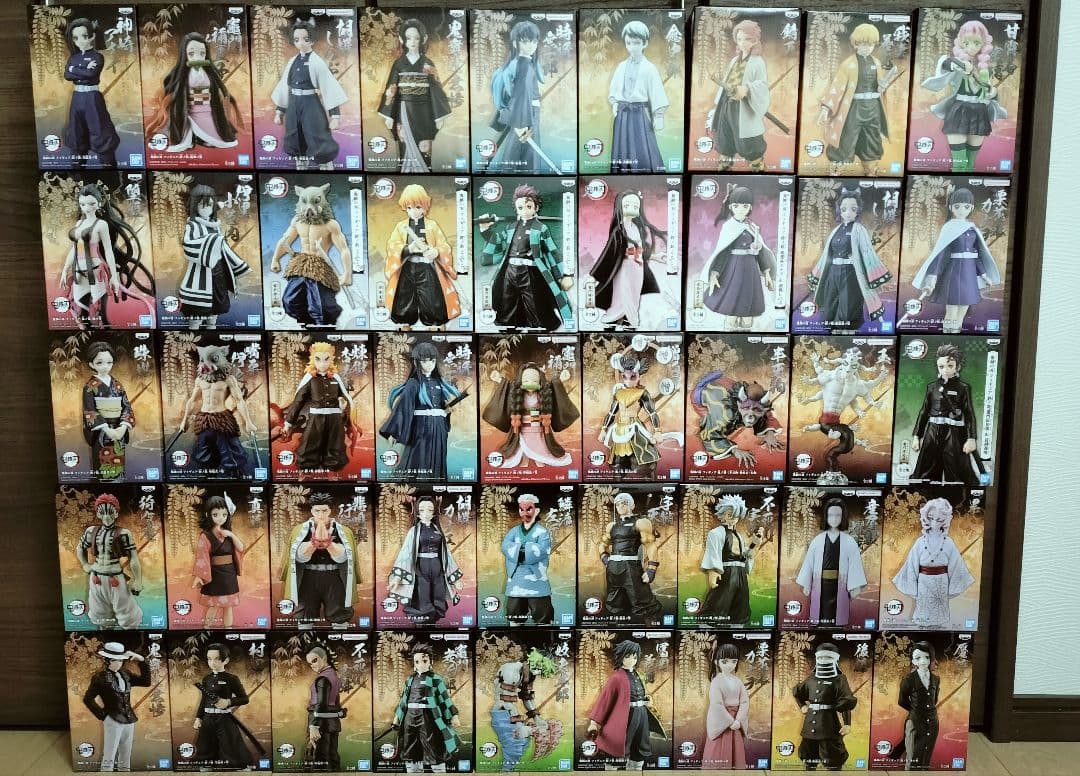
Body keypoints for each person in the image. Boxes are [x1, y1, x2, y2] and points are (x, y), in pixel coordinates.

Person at [478, 184, 574, 331]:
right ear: (516, 209)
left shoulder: (541, 228)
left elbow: (552, 252)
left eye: (529, 206)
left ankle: (538, 328)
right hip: (509, 271)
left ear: (536, 208)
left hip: (531, 272)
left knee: (534, 302)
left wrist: (564, 275)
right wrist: (486, 229)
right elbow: (498, 241)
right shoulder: (511, 227)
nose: (524, 210)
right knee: (507, 301)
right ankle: (507, 327)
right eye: (520, 207)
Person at [59, 184, 150, 329]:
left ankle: (106, 335)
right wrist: (65, 269)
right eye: (82, 204)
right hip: (78, 273)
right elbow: (74, 249)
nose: (87, 208)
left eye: (91, 204)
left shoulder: (101, 224)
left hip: (97, 272)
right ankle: (88, 336)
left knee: (100, 314)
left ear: (99, 203)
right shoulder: (79, 223)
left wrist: (113, 276)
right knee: (81, 312)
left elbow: (108, 251)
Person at [911, 188, 1001, 334]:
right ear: (951, 207)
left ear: (971, 208)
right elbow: (940, 255)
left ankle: (956, 333)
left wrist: (984, 275)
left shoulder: (972, 228)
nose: (961, 210)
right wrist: (932, 278)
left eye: (966, 207)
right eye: (957, 206)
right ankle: (948, 334)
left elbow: (976, 255)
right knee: (952, 309)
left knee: (963, 308)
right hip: (953, 274)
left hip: (969, 274)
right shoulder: (949, 228)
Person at [922, 21, 1007, 172]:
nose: (971, 47)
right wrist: (958, 65)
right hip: (959, 111)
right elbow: (945, 64)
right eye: (966, 43)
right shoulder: (957, 63)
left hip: (980, 112)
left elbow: (989, 93)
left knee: (970, 164)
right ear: (961, 43)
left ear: (984, 44)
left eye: (976, 43)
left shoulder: (986, 69)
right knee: (959, 164)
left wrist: (993, 93)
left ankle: (966, 181)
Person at [816, 22, 900, 175]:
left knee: (872, 137)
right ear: (856, 44)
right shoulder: (848, 65)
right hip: (853, 108)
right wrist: (825, 108)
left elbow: (880, 85)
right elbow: (837, 86)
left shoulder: (877, 63)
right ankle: (837, 169)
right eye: (864, 44)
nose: (867, 47)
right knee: (846, 136)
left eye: (871, 44)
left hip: (873, 107)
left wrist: (882, 87)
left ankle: (871, 168)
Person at [805, 188, 892, 331]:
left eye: (853, 209)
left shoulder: (859, 229)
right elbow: (826, 255)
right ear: (839, 210)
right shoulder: (836, 230)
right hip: (832, 273)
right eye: (844, 209)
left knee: (847, 309)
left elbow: (869, 254)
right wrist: (817, 275)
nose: (848, 213)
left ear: (858, 211)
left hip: (851, 275)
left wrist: (876, 278)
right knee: (830, 306)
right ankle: (833, 333)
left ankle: (848, 334)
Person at [270, 183, 354, 328]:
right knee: (290, 300)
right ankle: (306, 323)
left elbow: (344, 249)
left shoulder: (330, 224)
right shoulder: (297, 221)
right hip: (300, 264)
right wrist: (275, 259)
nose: (310, 207)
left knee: (321, 306)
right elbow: (285, 240)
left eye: (315, 201)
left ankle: (324, 326)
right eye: (305, 201)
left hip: (319, 266)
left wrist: (347, 273)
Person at [147, 32, 244, 153]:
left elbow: (220, 88)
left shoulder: (209, 72)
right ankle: (188, 139)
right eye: (191, 54)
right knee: (181, 128)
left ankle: (204, 138)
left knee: (216, 136)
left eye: (202, 53)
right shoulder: (182, 74)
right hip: (188, 110)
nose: (197, 58)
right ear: (185, 55)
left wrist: (226, 97)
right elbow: (174, 89)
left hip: (207, 110)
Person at [271, 16, 348, 170]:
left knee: (317, 132)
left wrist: (335, 116)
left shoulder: (317, 62)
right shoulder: (292, 61)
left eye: (305, 39)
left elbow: (329, 88)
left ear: (312, 40)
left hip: (310, 103)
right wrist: (280, 111)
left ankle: (325, 163)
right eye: (297, 39)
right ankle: (301, 162)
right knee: (294, 133)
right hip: (293, 102)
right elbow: (284, 85)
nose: (301, 43)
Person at [379, 341, 463, 480]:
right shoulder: (413, 383)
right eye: (425, 361)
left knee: (438, 456)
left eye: (432, 361)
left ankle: (436, 483)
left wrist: (446, 412)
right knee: (418, 457)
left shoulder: (439, 382)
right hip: (420, 428)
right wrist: (393, 432)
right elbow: (403, 407)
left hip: (438, 428)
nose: (429, 364)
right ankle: (413, 484)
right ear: (417, 362)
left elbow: (442, 406)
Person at [378, 18, 453, 173]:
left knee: (424, 146)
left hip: (425, 112)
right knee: (405, 144)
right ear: (402, 39)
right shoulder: (399, 64)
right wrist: (389, 115)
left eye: (416, 38)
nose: (412, 42)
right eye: (408, 38)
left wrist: (439, 116)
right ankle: (405, 174)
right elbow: (391, 89)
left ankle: (425, 174)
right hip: (404, 109)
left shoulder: (428, 64)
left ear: (423, 39)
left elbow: (436, 90)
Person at [384, 184, 461, 330]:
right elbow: (392, 246)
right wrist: (408, 249)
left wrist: (436, 252)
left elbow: (444, 246)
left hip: (427, 267)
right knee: (404, 296)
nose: (413, 211)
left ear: (425, 206)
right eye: (409, 207)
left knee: (432, 296)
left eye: (418, 207)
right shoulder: (401, 226)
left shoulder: (432, 225)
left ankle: (435, 323)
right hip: (407, 267)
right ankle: (404, 322)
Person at [281, 492, 362, 629]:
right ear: (312, 510)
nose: (320, 515)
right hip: (308, 578)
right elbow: (298, 556)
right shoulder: (299, 530)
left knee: (339, 614)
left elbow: (344, 557)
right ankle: (305, 637)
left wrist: (329, 544)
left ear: (330, 510)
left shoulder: (343, 531)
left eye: (324, 510)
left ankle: (340, 637)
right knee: (305, 615)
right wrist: (313, 543)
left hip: (334, 578)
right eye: (317, 511)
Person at [701, 185, 777, 329]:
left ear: (750, 207)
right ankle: (729, 331)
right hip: (733, 269)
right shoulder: (729, 227)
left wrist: (766, 272)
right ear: (731, 207)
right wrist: (715, 273)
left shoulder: (752, 227)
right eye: (737, 206)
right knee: (732, 304)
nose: (741, 209)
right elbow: (722, 252)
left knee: (749, 308)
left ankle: (746, 332)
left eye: (745, 206)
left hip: (751, 270)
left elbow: (760, 251)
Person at [588, 190, 667, 329]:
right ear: (620, 207)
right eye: (627, 205)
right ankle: (612, 319)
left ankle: (628, 320)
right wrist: (593, 276)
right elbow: (609, 253)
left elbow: (639, 251)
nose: (632, 208)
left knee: (634, 295)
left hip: (637, 269)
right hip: (623, 269)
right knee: (622, 295)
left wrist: (654, 257)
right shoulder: (619, 230)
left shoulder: (636, 228)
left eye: (635, 206)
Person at [178, 344, 259, 479]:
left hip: (222, 420)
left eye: (212, 359)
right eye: (203, 360)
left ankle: (235, 478)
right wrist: (184, 421)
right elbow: (192, 400)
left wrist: (248, 422)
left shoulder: (228, 379)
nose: (206, 364)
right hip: (203, 420)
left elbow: (239, 400)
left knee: (231, 454)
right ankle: (207, 477)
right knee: (204, 454)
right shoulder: (200, 380)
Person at [892, 497, 974, 627]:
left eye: (939, 519)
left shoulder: (948, 542)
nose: (934, 522)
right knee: (923, 612)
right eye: (930, 518)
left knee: (939, 613)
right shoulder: (920, 542)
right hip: (923, 581)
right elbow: (911, 565)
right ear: (925, 518)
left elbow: (956, 566)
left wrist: (952, 587)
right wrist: (913, 586)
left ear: (945, 520)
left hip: (941, 582)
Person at [481, 362, 578, 471]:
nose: (530, 383)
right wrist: (499, 379)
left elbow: (553, 389)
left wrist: (561, 379)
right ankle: (524, 458)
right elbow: (508, 388)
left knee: (540, 443)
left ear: (539, 381)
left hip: (539, 425)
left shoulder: (543, 393)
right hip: (522, 425)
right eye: (526, 381)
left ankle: (539, 457)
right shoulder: (518, 393)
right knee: (522, 443)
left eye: (534, 381)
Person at [178, 184, 251, 329]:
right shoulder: (193, 225)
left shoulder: (215, 225)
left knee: (213, 316)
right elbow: (188, 245)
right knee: (196, 318)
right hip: (199, 275)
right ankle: (194, 335)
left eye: (210, 205)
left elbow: (224, 248)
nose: (207, 209)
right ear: (195, 206)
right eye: (203, 205)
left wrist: (237, 266)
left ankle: (212, 332)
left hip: (218, 273)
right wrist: (212, 241)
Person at [909, 344, 983, 484]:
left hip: (954, 433)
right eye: (941, 366)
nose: (945, 370)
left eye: (950, 366)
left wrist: (971, 438)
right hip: (932, 431)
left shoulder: (963, 388)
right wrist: (916, 436)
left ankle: (960, 494)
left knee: (956, 469)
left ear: (957, 367)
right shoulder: (932, 387)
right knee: (926, 470)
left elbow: (969, 414)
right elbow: (924, 412)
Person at [586, 640, 665, 771]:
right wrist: (594, 723)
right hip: (625, 717)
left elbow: (639, 692)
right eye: (628, 656)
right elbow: (605, 700)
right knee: (617, 749)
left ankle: (635, 768)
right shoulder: (616, 678)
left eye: (634, 657)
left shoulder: (637, 674)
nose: (631, 660)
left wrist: (647, 700)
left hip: (641, 716)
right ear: (621, 656)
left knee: (639, 749)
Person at [387, 496, 464, 625]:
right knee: (422, 594)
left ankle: (433, 621)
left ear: (434, 512)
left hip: (437, 567)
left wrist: (456, 580)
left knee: (438, 593)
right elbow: (405, 554)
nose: (426, 513)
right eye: (422, 510)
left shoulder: (438, 530)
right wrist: (397, 577)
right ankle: (422, 622)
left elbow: (447, 555)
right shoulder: (414, 531)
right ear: (417, 512)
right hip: (420, 568)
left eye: (430, 509)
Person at [708, 19, 770, 172]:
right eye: (740, 38)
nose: (742, 42)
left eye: (747, 39)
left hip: (745, 107)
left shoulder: (758, 62)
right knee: (725, 135)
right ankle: (724, 165)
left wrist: (747, 89)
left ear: (755, 40)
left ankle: (757, 167)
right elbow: (727, 81)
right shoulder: (734, 60)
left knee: (748, 141)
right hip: (727, 103)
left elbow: (762, 84)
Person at [391, 643, 462, 773]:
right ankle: (414, 770)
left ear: (430, 661)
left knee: (433, 745)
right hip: (409, 718)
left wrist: (454, 715)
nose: (421, 664)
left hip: (428, 717)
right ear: (414, 663)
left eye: (424, 661)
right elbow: (403, 701)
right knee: (410, 746)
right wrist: (397, 718)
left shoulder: (436, 679)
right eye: (417, 661)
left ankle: (439, 770)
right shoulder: (410, 680)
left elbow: (445, 699)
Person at [795, 498, 867, 627]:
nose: (834, 519)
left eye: (838, 515)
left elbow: (854, 565)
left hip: (841, 584)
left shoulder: (849, 541)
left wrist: (854, 586)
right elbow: (809, 563)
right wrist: (806, 584)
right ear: (826, 516)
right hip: (820, 584)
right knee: (820, 616)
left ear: (843, 517)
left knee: (838, 618)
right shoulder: (817, 540)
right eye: (831, 515)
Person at [282, 343, 353, 473]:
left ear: (331, 359)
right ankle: (307, 466)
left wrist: (343, 403)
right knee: (309, 444)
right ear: (312, 359)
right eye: (318, 359)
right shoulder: (309, 378)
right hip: (315, 418)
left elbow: (344, 396)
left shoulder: (336, 378)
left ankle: (333, 468)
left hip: (335, 419)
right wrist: (288, 423)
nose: (322, 364)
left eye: (326, 359)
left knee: (335, 446)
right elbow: (298, 401)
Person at [76, 493, 143, 629]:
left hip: (115, 578)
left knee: (127, 613)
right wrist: (85, 564)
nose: (106, 516)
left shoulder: (124, 533)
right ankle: (105, 634)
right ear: (98, 514)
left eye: (110, 512)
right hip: (96, 578)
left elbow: (133, 557)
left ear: (116, 514)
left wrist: (138, 580)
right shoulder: (91, 531)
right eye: (103, 512)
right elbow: (80, 548)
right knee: (100, 614)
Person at [608, 21, 668, 173]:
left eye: (636, 43)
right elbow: (614, 89)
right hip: (622, 114)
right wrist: (614, 103)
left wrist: (659, 115)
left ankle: (646, 174)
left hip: (640, 114)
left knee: (642, 145)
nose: (632, 47)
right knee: (622, 147)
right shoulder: (621, 66)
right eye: (628, 43)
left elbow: (657, 92)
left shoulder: (649, 68)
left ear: (644, 43)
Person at [62, 17, 120, 168]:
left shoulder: (97, 57)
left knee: (100, 131)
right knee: (76, 132)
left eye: (84, 36)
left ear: (92, 36)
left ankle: (109, 169)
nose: (79, 41)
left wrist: (74, 70)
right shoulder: (73, 57)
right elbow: (67, 75)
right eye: (75, 38)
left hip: (92, 98)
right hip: (77, 98)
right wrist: (82, 70)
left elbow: (91, 74)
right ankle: (77, 170)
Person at [82, 641, 149, 772]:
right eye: (115, 660)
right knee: (110, 753)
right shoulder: (100, 678)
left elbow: (146, 682)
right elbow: (88, 699)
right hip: (112, 719)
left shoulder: (126, 674)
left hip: (129, 719)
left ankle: (125, 771)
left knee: (126, 752)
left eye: (121, 660)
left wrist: (141, 660)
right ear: (107, 661)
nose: (119, 663)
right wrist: (103, 716)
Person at [488, 21, 545, 173]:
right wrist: (522, 123)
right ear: (515, 43)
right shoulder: (522, 65)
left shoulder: (524, 63)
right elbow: (520, 95)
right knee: (524, 151)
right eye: (525, 41)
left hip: (526, 112)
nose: (531, 45)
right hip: (525, 114)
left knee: (519, 149)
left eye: (534, 41)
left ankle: (512, 174)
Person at [192, 643, 261, 769]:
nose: (212, 663)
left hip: (224, 718)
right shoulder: (206, 679)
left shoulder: (232, 679)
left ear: (226, 660)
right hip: (207, 719)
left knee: (231, 744)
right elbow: (204, 700)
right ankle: (206, 764)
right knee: (205, 744)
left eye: (217, 659)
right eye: (209, 659)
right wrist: (198, 718)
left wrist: (228, 702)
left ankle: (241, 766)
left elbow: (244, 699)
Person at [792, 642, 857, 771]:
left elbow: (846, 702)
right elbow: (798, 692)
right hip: (810, 725)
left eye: (827, 657)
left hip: (829, 724)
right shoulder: (811, 678)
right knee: (808, 756)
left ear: (834, 659)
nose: (823, 660)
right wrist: (802, 706)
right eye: (821, 657)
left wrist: (847, 724)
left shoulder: (839, 679)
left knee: (833, 756)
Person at [699, 495, 763, 626]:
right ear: (722, 514)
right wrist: (713, 572)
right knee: (719, 602)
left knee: (740, 605)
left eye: (736, 515)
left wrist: (754, 544)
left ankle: (736, 626)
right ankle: (709, 627)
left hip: (740, 575)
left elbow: (744, 557)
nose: (733, 518)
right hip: (726, 573)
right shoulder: (716, 533)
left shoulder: (739, 536)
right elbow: (713, 552)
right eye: (729, 514)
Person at [599, 492, 662, 624]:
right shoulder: (611, 526)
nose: (621, 506)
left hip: (631, 567)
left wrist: (651, 569)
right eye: (618, 504)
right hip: (613, 569)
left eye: (624, 503)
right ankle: (620, 630)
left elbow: (650, 546)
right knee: (614, 605)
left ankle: (648, 629)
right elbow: (603, 545)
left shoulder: (641, 523)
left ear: (632, 505)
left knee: (642, 604)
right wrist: (605, 559)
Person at [491, 648, 558, 771]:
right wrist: (518, 722)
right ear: (533, 661)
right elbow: (505, 700)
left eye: (541, 670)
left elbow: (526, 696)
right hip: (502, 713)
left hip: (509, 712)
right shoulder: (511, 671)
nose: (538, 672)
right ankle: (506, 771)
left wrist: (537, 718)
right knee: (515, 746)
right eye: (538, 667)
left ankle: (508, 769)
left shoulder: (529, 674)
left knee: (524, 743)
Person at [599, 354, 661, 477]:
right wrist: (603, 429)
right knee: (618, 466)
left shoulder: (642, 392)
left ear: (639, 376)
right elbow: (611, 413)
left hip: (636, 429)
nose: (628, 381)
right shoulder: (619, 393)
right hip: (620, 430)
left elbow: (652, 412)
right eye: (625, 377)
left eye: (632, 377)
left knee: (645, 464)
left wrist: (657, 431)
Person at [190, 494, 245, 629]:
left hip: (229, 573)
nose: (220, 518)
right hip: (214, 574)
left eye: (224, 514)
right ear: (208, 515)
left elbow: (241, 548)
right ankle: (207, 628)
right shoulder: (206, 535)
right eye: (215, 514)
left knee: (228, 606)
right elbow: (202, 556)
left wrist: (231, 535)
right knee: (213, 604)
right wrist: (199, 575)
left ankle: (229, 629)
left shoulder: (228, 534)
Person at [82, 341, 134, 482]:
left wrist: (123, 427)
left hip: (118, 429)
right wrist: (107, 429)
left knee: (118, 460)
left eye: (109, 362)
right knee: (103, 461)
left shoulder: (117, 385)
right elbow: (89, 411)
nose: (105, 366)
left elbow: (126, 406)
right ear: (91, 364)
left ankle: (119, 483)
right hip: (101, 431)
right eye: (99, 363)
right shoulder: (90, 386)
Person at [499, 494, 554, 626]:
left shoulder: (542, 532)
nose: (525, 513)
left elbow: (543, 550)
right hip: (516, 580)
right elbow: (505, 546)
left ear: (537, 510)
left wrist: (518, 551)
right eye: (521, 509)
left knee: (543, 620)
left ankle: (545, 639)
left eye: (529, 509)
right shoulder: (513, 531)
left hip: (537, 581)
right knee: (514, 618)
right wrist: (528, 548)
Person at [701, 642, 749, 769]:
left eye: (733, 661)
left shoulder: (738, 681)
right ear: (717, 662)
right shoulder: (716, 682)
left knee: (736, 752)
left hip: (736, 720)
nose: (730, 665)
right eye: (725, 661)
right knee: (718, 751)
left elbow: (744, 702)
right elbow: (716, 704)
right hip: (721, 722)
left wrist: (738, 720)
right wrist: (730, 722)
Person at [893, 642, 939, 770]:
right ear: (913, 661)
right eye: (918, 658)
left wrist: (928, 712)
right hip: (914, 722)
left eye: (927, 657)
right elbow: (902, 701)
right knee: (912, 758)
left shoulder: (936, 679)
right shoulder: (908, 680)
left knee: (926, 755)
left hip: (932, 723)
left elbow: (934, 700)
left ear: (931, 658)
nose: (923, 661)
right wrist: (916, 710)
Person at [304, 645, 345, 771]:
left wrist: (314, 726)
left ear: (324, 658)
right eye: (310, 663)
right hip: (332, 723)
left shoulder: (323, 678)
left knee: (320, 760)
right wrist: (339, 712)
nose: (312, 665)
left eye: (314, 660)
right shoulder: (333, 675)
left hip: (321, 724)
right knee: (332, 757)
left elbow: (321, 704)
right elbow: (335, 702)